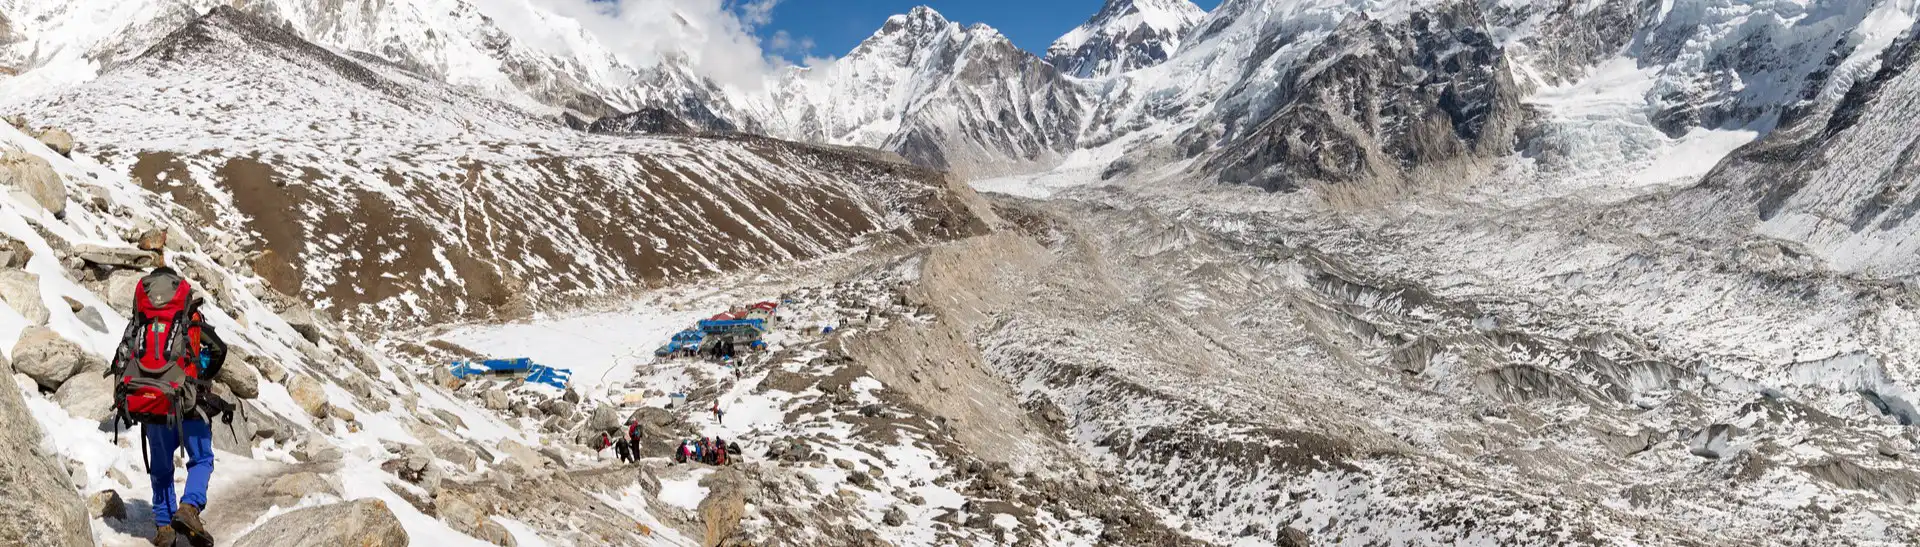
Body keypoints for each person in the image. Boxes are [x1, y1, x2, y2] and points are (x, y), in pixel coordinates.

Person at [111, 264, 227, 547]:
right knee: (201, 459)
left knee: (162, 468)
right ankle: (189, 508)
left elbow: (122, 357)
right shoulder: (189, 315)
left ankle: (164, 527)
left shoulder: (141, 321)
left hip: (153, 402)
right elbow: (217, 349)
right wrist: (201, 378)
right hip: (188, 400)